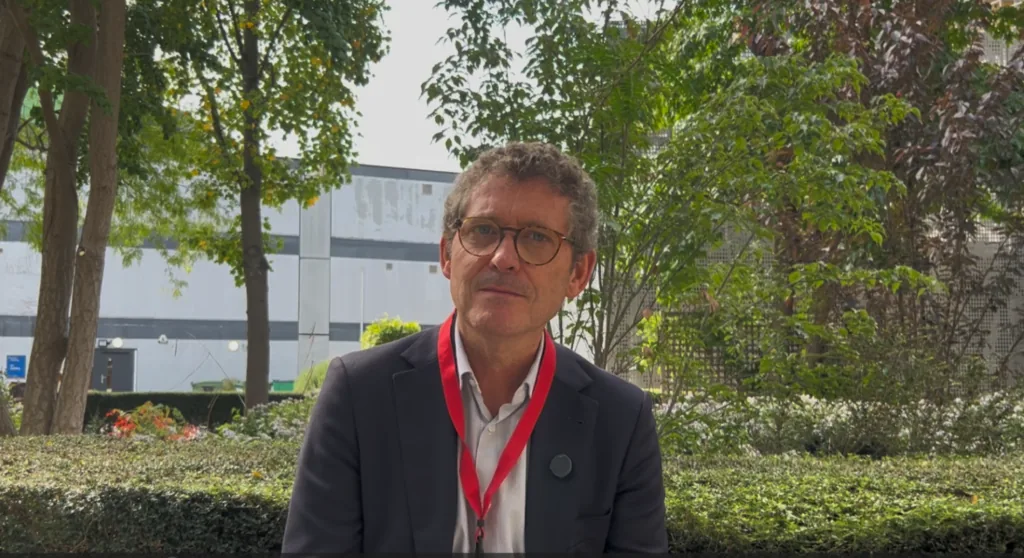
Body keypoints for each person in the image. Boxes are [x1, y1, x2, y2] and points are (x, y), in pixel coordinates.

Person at [281, 141, 668, 554]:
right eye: (483, 230)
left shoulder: (620, 420)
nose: (503, 258)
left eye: (537, 237)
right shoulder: (359, 396)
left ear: (578, 274)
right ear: (447, 254)